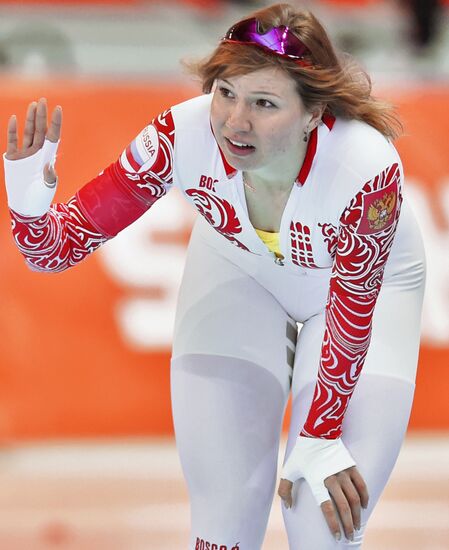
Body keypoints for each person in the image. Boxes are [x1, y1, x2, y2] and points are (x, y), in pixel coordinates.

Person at [3, 3, 425, 548]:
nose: (234, 121)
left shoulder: (366, 167)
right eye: (225, 92)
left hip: (360, 299)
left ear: (314, 113)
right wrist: (27, 203)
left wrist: (319, 435)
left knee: (322, 524)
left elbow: (351, 312)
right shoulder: (180, 136)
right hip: (239, 268)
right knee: (223, 519)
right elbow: (52, 251)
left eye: (264, 103)